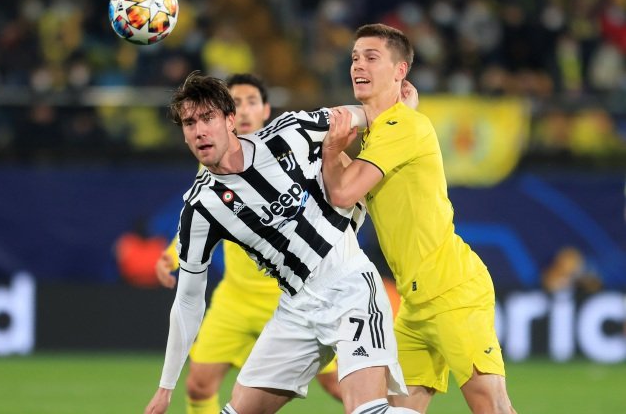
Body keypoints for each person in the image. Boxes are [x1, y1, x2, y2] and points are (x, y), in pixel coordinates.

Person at [145, 71, 418, 414]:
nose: (199, 130)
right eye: (189, 123)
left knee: (366, 411)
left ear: (230, 120)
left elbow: (358, 116)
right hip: (295, 308)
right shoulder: (200, 208)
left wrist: (402, 109)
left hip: (349, 286)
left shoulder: (287, 133)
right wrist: (165, 388)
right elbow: (187, 302)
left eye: (208, 118)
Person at [321, 23, 516, 414]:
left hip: (451, 291)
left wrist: (330, 149)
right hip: (415, 303)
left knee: (491, 407)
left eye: (372, 57)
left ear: (400, 71)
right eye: (355, 57)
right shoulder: (386, 132)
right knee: (398, 409)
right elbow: (344, 195)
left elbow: (341, 192)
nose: (358, 64)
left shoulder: (404, 127)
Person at [153, 73, 342, 414]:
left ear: (265, 109)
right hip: (236, 299)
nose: (242, 110)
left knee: (343, 386)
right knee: (198, 385)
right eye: (235, 102)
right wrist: (171, 254)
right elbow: (200, 221)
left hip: (291, 294)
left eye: (250, 102)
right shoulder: (212, 159)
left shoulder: (285, 147)